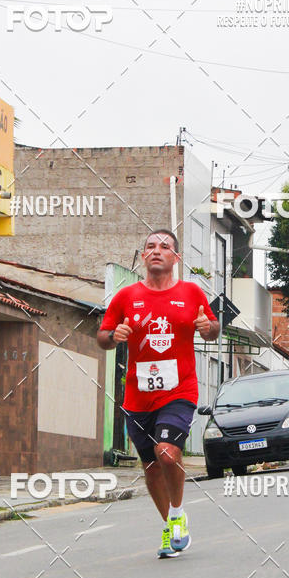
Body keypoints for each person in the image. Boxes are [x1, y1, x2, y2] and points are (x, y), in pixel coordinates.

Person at [97, 229, 220, 558]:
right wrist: (114, 336)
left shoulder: (191, 292)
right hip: (137, 396)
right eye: (150, 246)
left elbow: (213, 328)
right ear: (143, 256)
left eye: (164, 247)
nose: (156, 250)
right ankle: (169, 525)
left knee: (167, 452)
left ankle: (177, 514)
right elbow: (103, 337)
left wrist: (208, 328)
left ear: (175, 258)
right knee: (151, 466)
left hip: (179, 390)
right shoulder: (126, 296)